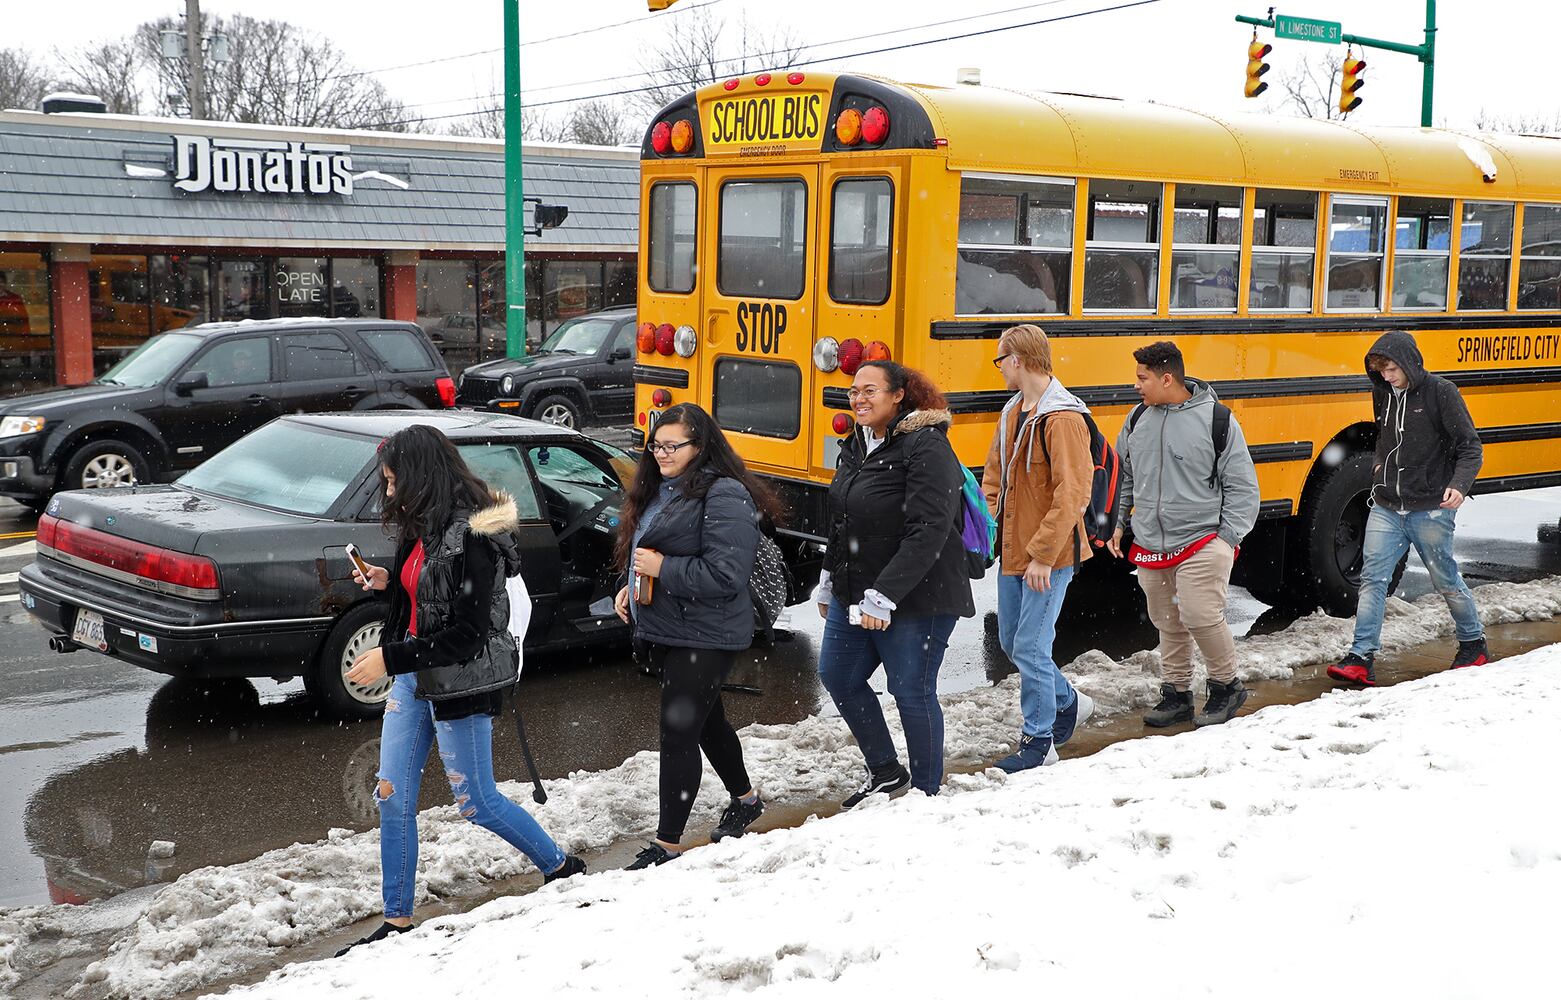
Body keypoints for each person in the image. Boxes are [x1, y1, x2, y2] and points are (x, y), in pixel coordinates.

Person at [336, 425, 584, 956]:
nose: (387, 492)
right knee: (392, 796)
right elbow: (425, 595)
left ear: (420, 478)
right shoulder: (422, 525)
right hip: (413, 678)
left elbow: (468, 635)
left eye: (391, 481)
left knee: (477, 802)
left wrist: (388, 656)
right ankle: (397, 920)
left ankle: (561, 867)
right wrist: (388, 581)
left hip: (461, 683)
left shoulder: (475, 536)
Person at [612, 403, 782, 869]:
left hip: (708, 632)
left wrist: (664, 570)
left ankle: (666, 846)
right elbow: (647, 549)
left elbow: (727, 574)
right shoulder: (658, 488)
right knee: (706, 723)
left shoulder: (723, 494)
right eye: (656, 444)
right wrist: (628, 586)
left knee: (678, 731)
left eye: (673, 446)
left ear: (700, 446)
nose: (661, 453)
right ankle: (746, 800)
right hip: (671, 625)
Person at [815, 360, 976, 804]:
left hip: (919, 596)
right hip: (858, 590)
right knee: (839, 675)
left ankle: (926, 792)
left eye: (870, 391)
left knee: (910, 689)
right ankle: (886, 771)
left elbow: (929, 527)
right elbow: (841, 517)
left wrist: (883, 596)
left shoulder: (925, 446)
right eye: (853, 392)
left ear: (898, 395)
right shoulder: (856, 443)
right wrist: (830, 578)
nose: (859, 399)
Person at [1107, 341, 1260, 729]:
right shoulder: (1138, 418)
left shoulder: (1217, 420)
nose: (1137, 386)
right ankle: (1176, 695)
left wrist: (1227, 537)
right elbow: (1125, 474)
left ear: (1167, 378)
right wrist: (1119, 522)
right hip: (1151, 543)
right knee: (1167, 620)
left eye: (1143, 378)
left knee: (1199, 615)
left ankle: (1227, 687)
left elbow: (1243, 488)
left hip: (1203, 539)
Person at [1327, 333, 1487, 685]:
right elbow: (1385, 437)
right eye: (1380, 370)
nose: (1386, 376)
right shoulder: (1383, 393)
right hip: (1386, 505)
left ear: (1410, 362)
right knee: (1372, 580)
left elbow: (1470, 447)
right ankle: (1361, 656)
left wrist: (1459, 486)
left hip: (1430, 508)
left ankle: (1473, 644)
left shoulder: (1441, 393)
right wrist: (1379, 469)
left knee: (1445, 579)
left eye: (1392, 368)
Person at [982, 324, 1096, 772]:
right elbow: (995, 476)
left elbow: (1073, 492)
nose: (999, 370)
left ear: (1018, 360)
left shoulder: (1062, 418)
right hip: (1014, 551)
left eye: (1000, 360)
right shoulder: (1013, 411)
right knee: (1013, 642)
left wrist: (1044, 554)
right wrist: (991, 527)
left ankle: (1039, 742)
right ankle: (1068, 702)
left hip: (1049, 556)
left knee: (1030, 644)